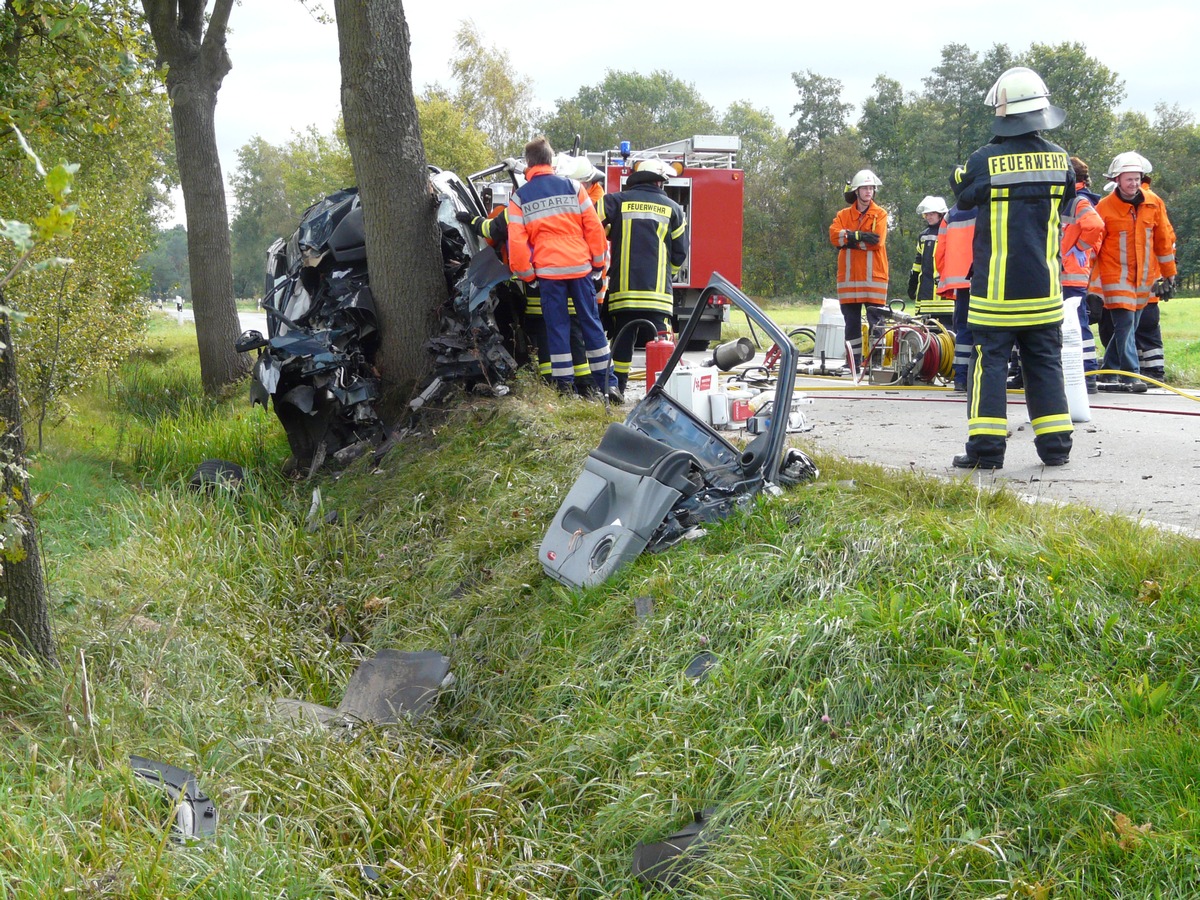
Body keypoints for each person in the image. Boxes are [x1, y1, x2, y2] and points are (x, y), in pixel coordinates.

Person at [948, 66, 1075, 470]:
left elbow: (962, 191)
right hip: (1044, 291)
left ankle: (986, 452)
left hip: (996, 295)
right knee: (1045, 364)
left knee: (990, 367)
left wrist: (991, 148)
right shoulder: (1060, 160)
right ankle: (1056, 447)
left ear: (1004, 114)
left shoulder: (984, 159)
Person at [506, 136, 618, 399]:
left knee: (557, 329)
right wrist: (598, 266)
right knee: (591, 324)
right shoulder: (575, 187)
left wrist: (528, 276)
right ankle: (608, 384)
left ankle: (565, 389)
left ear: (528, 163)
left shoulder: (519, 197)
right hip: (580, 268)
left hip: (548, 274)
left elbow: (517, 245)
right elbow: (594, 230)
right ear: (550, 160)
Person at [601, 157, 689, 398]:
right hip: (658, 296)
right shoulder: (674, 209)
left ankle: (617, 388)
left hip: (623, 294)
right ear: (660, 183)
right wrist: (666, 276)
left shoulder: (615, 201)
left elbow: (590, 226)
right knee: (661, 345)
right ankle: (661, 394)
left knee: (622, 341)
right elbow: (680, 253)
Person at [1093, 152, 1176, 393]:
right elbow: (1094, 248)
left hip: (1145, 279)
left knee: (1128, 327)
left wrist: (1169, 273)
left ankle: (1109, 370)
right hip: (1115, 277)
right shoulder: (1104, 207)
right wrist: (1092, 287)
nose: (1134, 184)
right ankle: (1132, 375)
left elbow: (1163, 240)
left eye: (1137, 178)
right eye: (1129, 179)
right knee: (1125, 324)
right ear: (1117, 180)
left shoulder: (1153, 202)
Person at [829, 169, 888, 366]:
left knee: (877, 324)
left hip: (874, 281)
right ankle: (853, 362)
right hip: (848, 282)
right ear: (856, 191)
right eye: (865, 188)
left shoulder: (880, 214)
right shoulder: (843, 215)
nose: (869, 191)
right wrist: (859, 236)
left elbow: (876, 243)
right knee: (851, 325)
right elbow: (834, 237)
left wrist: (849, 240)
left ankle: (876, 363)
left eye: (871, 188)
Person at [1060, 156, 1105, 393]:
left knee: (1077, 323)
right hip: (1068, 273)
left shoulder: (1076, 202)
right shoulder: (1070, 200)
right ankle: (1084, 374)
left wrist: (1078, 248)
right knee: (1075, 324)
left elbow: (1096, 226)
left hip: (1069, 274)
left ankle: (1086, 374)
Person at [1133, 172, 1176, 382]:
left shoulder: (1148, 204)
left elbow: (1164, 243)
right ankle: (1151, 370)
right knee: (1146, 327)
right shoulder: (1153, 202)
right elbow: (1168, 244)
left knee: (1141, 327)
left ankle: (1150, 371)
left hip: (1141, 281)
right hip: (1150, 279)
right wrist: (1167, 275)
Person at [934, 201, 977, 392]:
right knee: (990, 329)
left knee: (964, 329)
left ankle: (961, 378)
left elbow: (940, 252)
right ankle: (981, 378)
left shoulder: (951, 213)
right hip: (986, 278)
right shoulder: (989, 204)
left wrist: (946, 277)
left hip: (961, 281)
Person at [908, 195, 951, 327]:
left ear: (940, 214)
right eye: (926, 214)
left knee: (948, 336)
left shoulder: (950, 232)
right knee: (928, 336)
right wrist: (913, 282)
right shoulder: (923, 235)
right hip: (926, 295)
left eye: (932, 213)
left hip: (946, 298)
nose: (928, 217)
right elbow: (918, 263)